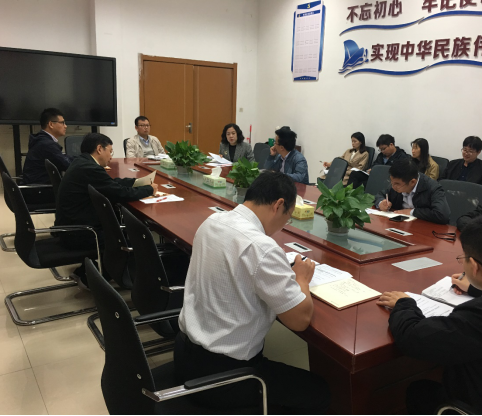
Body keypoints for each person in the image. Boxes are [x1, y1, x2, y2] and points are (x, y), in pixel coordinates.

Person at [174, 171, 330, 414]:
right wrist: (301, 279)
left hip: (183, 355)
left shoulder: (212, 222)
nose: (284, 225)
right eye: (288, 217)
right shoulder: (261, 247)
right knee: (321, 392)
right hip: (223, 377)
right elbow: (299, 320)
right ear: (278, 205)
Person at [377, 214, 482, 415]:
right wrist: (478, 288)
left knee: (419, 391)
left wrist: (404, 304)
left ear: (474, 266)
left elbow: (413, 338)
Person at [55, 133, 158, 286]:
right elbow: (119, 193)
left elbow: (110, 183)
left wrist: (136, 182)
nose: (111, 156)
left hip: (71, 226)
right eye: (110, 151)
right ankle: (97, 278)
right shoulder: (90, 168)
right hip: (80, 233)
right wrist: (149, 190)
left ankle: (91, 272)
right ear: (99, 149)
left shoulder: (82, 162)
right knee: (129, 240)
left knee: (123, 230)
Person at [374, 159, 451, 225]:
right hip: (398, 224)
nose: (393, 186)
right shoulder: (396, 184)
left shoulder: (432, 188)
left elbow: (442, 215)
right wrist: (381, 202)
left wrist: (412, 212)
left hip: (422, 229)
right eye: (391, 182)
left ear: (412, 182)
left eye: (397, 184)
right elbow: (380, 194)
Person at [22, 108, 74, 203]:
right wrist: (86, 161)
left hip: (35, 189)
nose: (65, 126)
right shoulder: (47, 144)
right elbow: (67, 165)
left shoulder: (42, 140)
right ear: (51, 124)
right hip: (40, 192)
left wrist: (81, 159)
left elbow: (63, 158)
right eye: (62, 123)